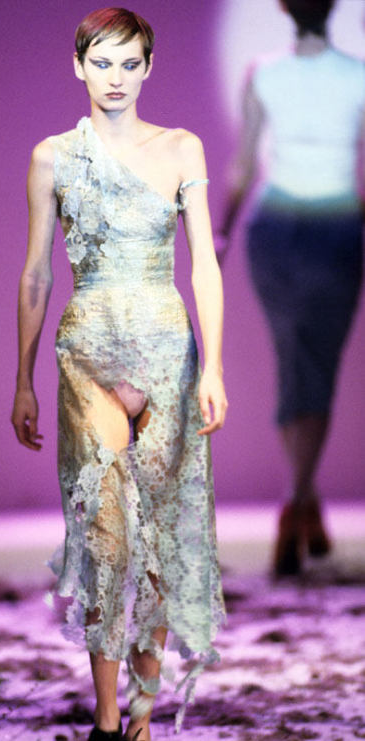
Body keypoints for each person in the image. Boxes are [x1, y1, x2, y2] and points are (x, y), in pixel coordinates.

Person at [11, 8, 227, 740]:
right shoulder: (53, 157)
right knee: (106, 538)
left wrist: (215, 366)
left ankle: (141, 712)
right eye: (101, 63)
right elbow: (36, 273)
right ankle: (106, 720)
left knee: (161, 536)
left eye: (129, 64)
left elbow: (205, 266)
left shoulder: (182, 148)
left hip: (168, 354)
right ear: (78, 66)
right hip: (89, 357)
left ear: (149, 68)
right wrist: (23, 378)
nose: (115, 78)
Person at [219, 0, 365, 576]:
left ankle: (302, 502)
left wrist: (224, 231)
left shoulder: (264, 72)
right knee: (315, 367)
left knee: (294, 362)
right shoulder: (357, 75)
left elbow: (242, 166)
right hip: (334, 228)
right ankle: (298, 500)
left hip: (276, 230)